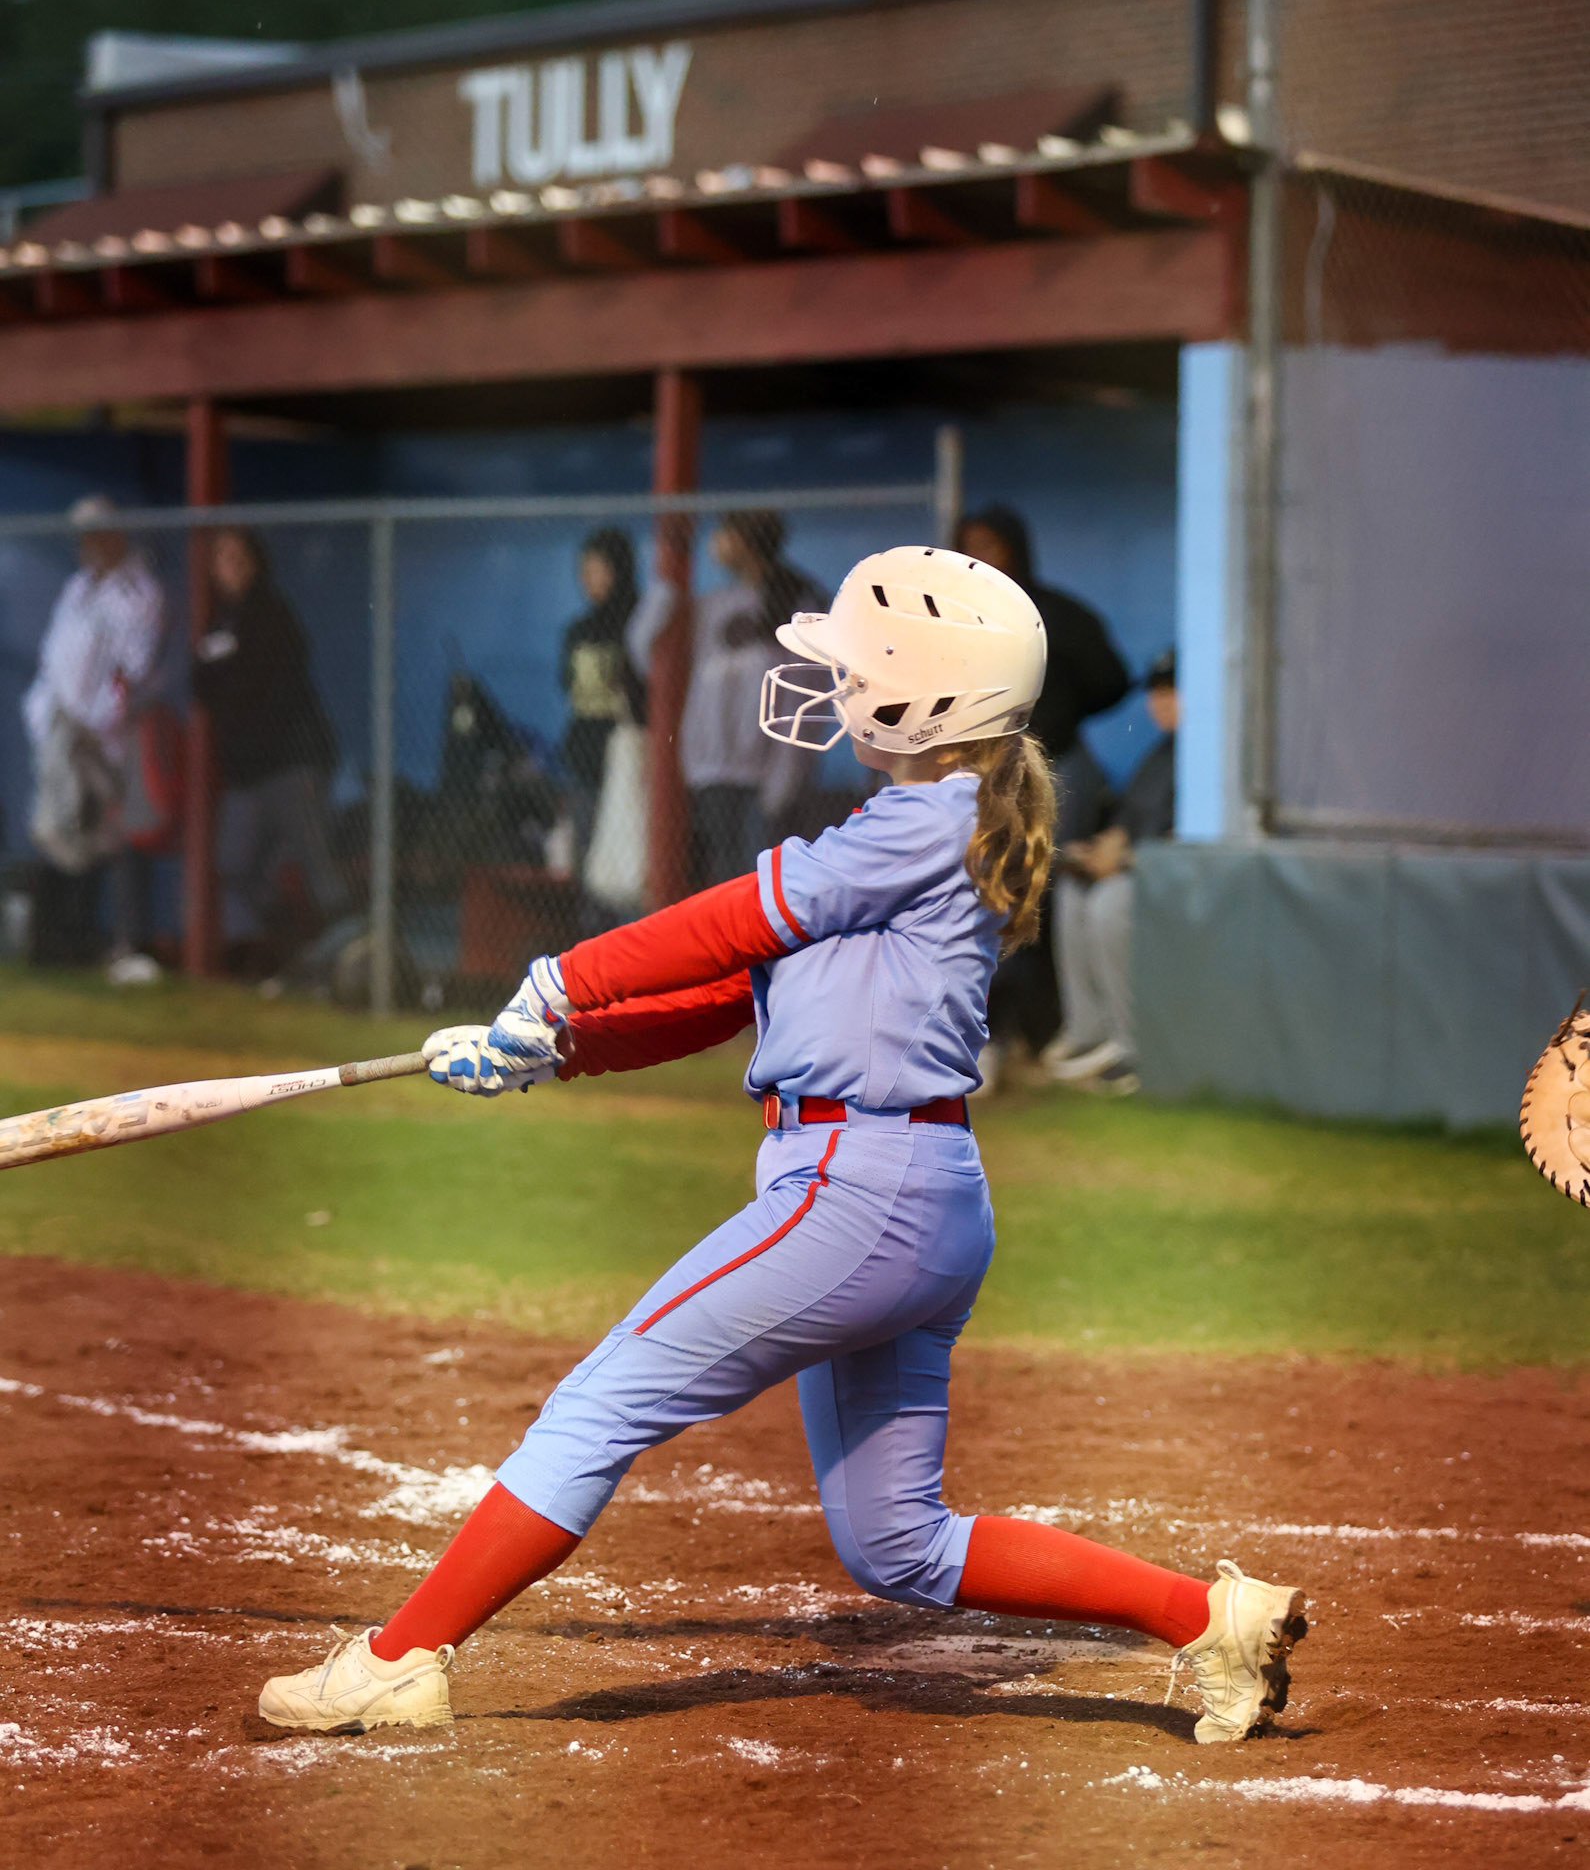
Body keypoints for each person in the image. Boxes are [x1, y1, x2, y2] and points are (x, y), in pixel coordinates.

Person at [257, 548, 1306, 1747]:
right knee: (896, 1540)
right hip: (918, 1198)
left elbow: (728, 921)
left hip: (854, 1193)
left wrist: (561, 977)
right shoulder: (920, 823)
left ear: (929, 695)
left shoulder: (927, 817)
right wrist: (559, 1047)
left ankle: (400, 1659)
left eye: (859, 668)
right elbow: (730, 992)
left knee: (601, 1401)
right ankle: (1215, 1619)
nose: (834, 683)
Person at [955, 505, 1129, 1085]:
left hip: (1055, 770)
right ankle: (999, 1034)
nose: (981, 557)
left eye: (991, 545)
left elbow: (1113, 677)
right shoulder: (955, 619)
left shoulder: (1051, 613)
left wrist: (1056, 718)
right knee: (990, 898)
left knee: (1040, 899)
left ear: (1016, 549)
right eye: (969, 545)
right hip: (982, 773)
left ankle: (1049, 1032)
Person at [629, 510, 823, 890]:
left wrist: (786, 775)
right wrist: (664, 591)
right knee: (727, 890)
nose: (714, 542)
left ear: (745, 539)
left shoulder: (795, 601)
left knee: (767, 889)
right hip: (712, 769)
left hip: (766, 774)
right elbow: (641, 652)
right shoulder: (711, 604)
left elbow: (808, 692)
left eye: (723, 532)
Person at [23, 494, 166, 980]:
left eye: (98, 533)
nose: (90, 543)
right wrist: (44, 717)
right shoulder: (77, 587)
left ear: (116, 534)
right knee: (60, 832)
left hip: (105, 736)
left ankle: (124, 943)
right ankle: (59, 942)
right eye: (85, 535)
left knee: (114, 834)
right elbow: (53, 660)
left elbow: (133, 670)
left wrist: (98, 722)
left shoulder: (138, 592)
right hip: (61, 731)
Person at [191, 529, 343, 978]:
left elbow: (267, 686)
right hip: (248, 773)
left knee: (321, 870)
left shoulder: (273, 615)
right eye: (222, 558)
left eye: (239, 556)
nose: (231, 565)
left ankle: (360, 966)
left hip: (293, 765)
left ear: (255, 562)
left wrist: (230, 678)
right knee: (234, 864)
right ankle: (298, 947)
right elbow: (200, 685)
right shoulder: (220, 623)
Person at [1045, 649, 1179, 1097]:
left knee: (1108, 900)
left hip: (1167, 883)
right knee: (1072, 888)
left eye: (1172, 691)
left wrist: (1122, 859)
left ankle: (1129, 1043)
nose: (1160, 702)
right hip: (1136, 871)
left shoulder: (1207, 753)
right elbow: (1128, 819)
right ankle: (1089, 1030)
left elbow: (1188, 842)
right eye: (1157, 692)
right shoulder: (1161, 751)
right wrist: (1103, 847)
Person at [558, 527, 646, 919]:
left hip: (628, 758)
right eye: (584, 571)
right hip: (586, 755)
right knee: (587, 859)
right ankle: (591, 949)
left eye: (596, 569)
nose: (588, 580)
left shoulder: (638, 625)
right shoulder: (578, 630)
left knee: (629, 860)